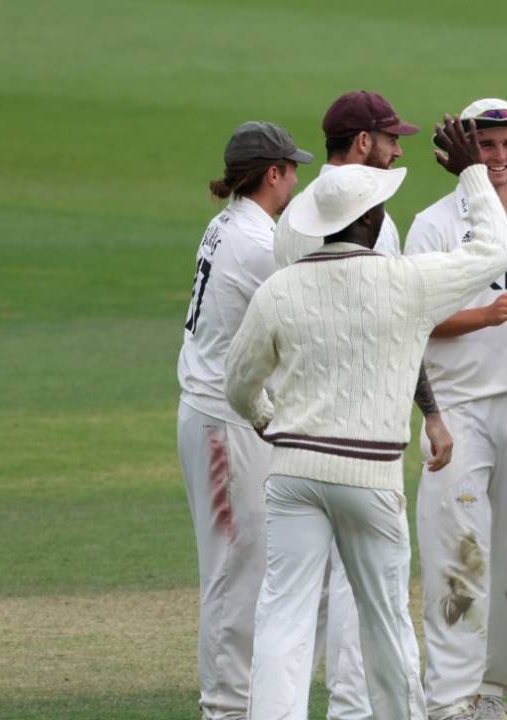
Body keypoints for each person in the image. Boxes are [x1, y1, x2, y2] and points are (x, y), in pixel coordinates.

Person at [225, 117, 507, 720]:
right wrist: (471, 174)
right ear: (368, 221)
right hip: (370, 477)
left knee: (284, 611)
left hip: (293, 470)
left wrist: (263, 416)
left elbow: (238, 382)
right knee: (384, 616)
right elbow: (495, 250)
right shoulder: (407, 282)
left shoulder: (280, 287)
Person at [271, 90, 453, 720]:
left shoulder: (292, 218)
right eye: (389, 139)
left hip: (294, 441)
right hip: (366, 442)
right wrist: (429, 412)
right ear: (360, 143)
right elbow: (401, 324)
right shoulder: (374, 217)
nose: (398, 150)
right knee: (365, 594)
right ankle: (354, 712)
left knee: (289, 606)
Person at [405, 98, 507, 720]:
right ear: (466, 151)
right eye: (489, 147)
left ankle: (493, 693)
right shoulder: (434, 224)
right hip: (459, 411)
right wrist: (486, 315)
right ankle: (449, 702)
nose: (501, 158)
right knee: (459, 557)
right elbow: (416, 317)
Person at [176, 120, 312, 720]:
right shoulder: (259, 243)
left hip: (219, 416)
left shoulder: (227, 221)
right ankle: (225, 709)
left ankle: (242, 702)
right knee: (235, 569)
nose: (299, 178)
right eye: (292, 168)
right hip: (223, 424)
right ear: (274, 174)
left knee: (246, 563)